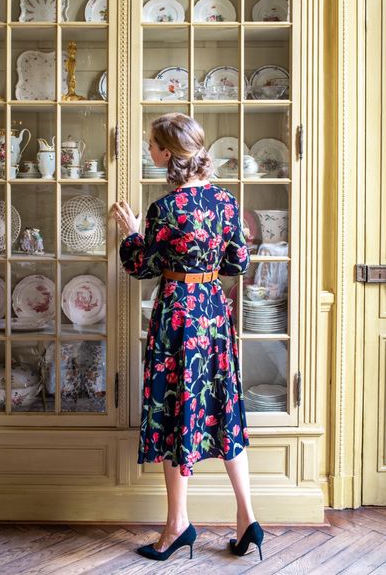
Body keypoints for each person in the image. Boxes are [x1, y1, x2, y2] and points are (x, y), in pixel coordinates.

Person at [112, 113, 264, 562]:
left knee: (176, 411)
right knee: (224, 409)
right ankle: (248, 518)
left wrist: (132, 234)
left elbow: (141, 268)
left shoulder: (165, 208)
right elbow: (239, 265)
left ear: (165, 153)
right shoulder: (226, 202)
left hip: (178, 314)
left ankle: (178, 525)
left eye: (151, 145)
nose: (148, 151)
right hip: (215, 313)